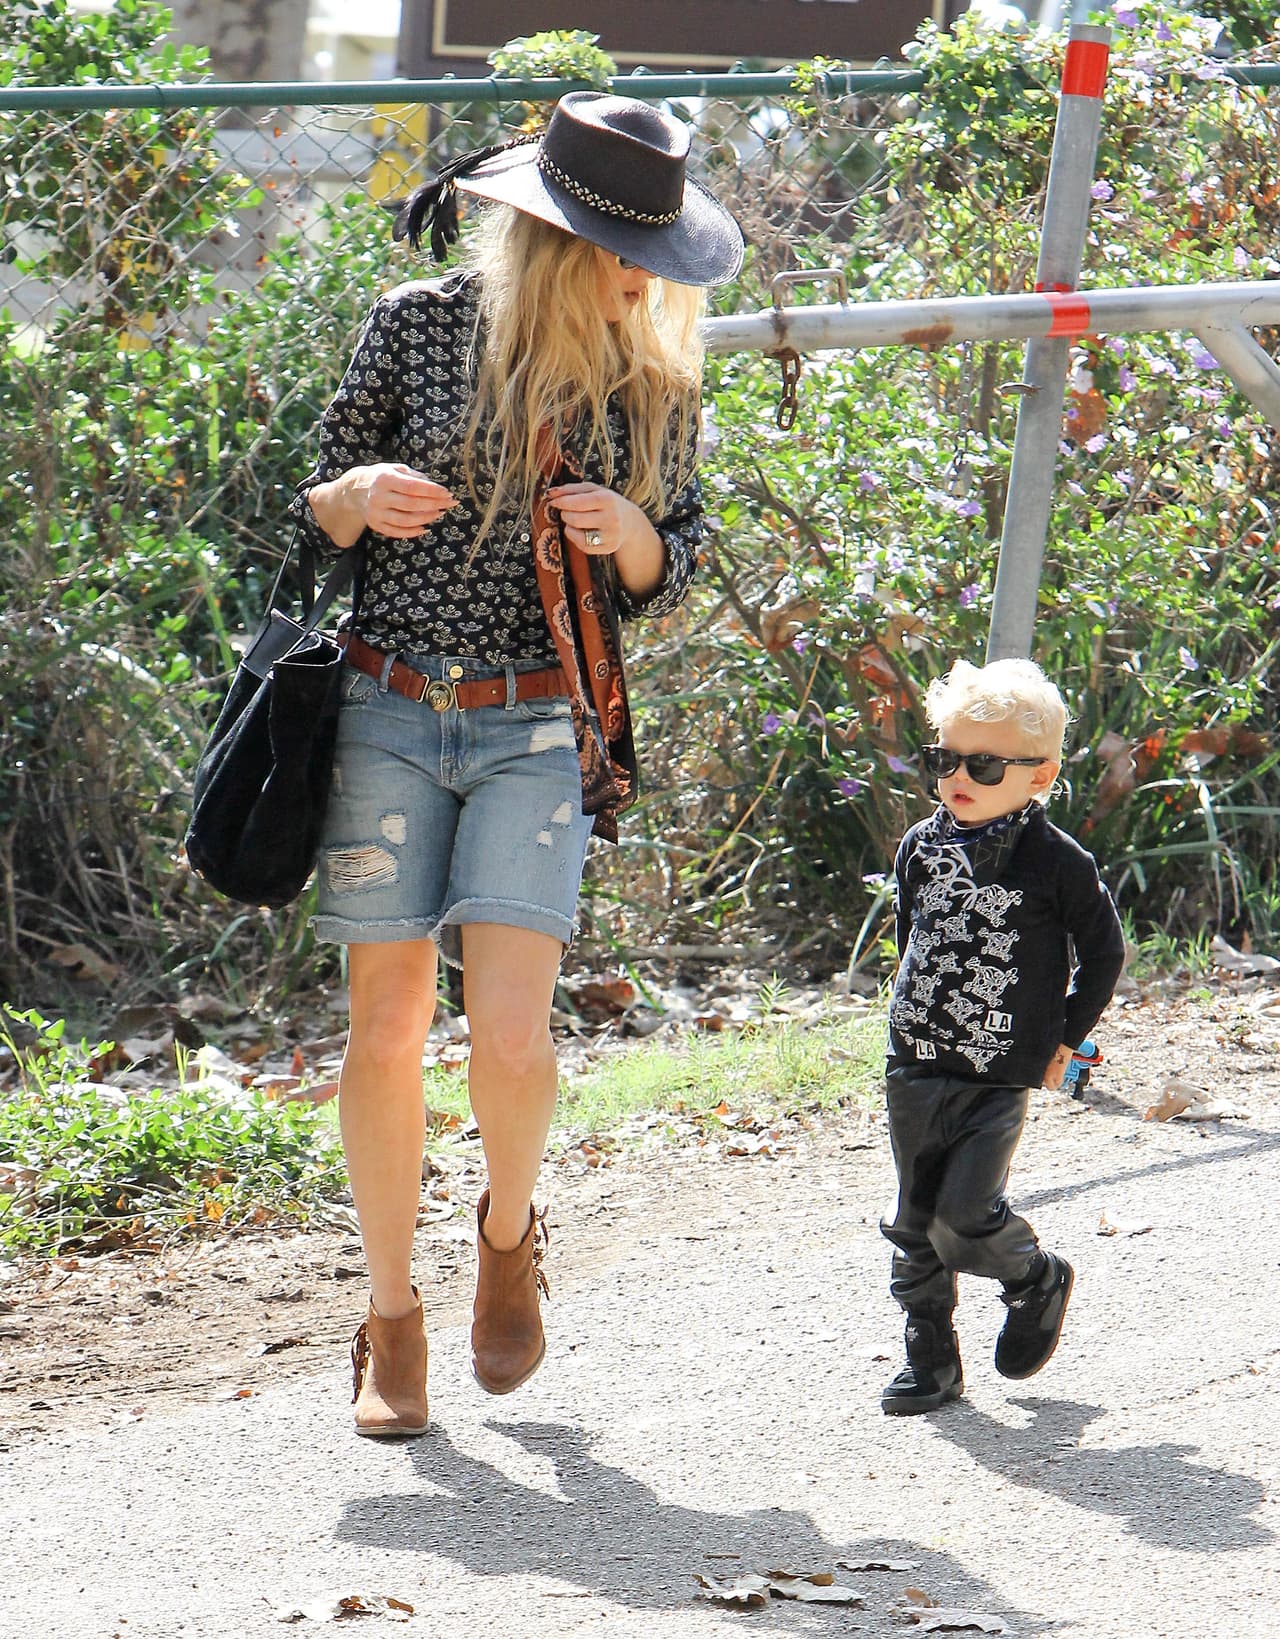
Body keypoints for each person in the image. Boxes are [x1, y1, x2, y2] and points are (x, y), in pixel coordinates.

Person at [287, 92, 744, 1438]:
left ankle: (504, 1229)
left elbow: (680, 558)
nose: (643, 277)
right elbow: (314, 498)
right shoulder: (415, 325)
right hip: (387, 706)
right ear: (557, 243)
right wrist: (358, 497)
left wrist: (632, 539)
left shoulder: (650, 373)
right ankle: (388, 1318)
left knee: (510, 1028)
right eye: (621, 251)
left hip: (537, 724)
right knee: (383, 1027)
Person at [880, 657, 1125, 1415]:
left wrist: (1066, 1036)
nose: (958, 776)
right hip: (914, 1060)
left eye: (982, 764)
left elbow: (1106, 951)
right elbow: (912, 932)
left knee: (965, 1215)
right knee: (915, 1219)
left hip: (996, 1073)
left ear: (1038, 773)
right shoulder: (922, 844)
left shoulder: (1056, 863)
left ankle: (1034, 1278)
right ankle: (932, 1356)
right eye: (943, 758)